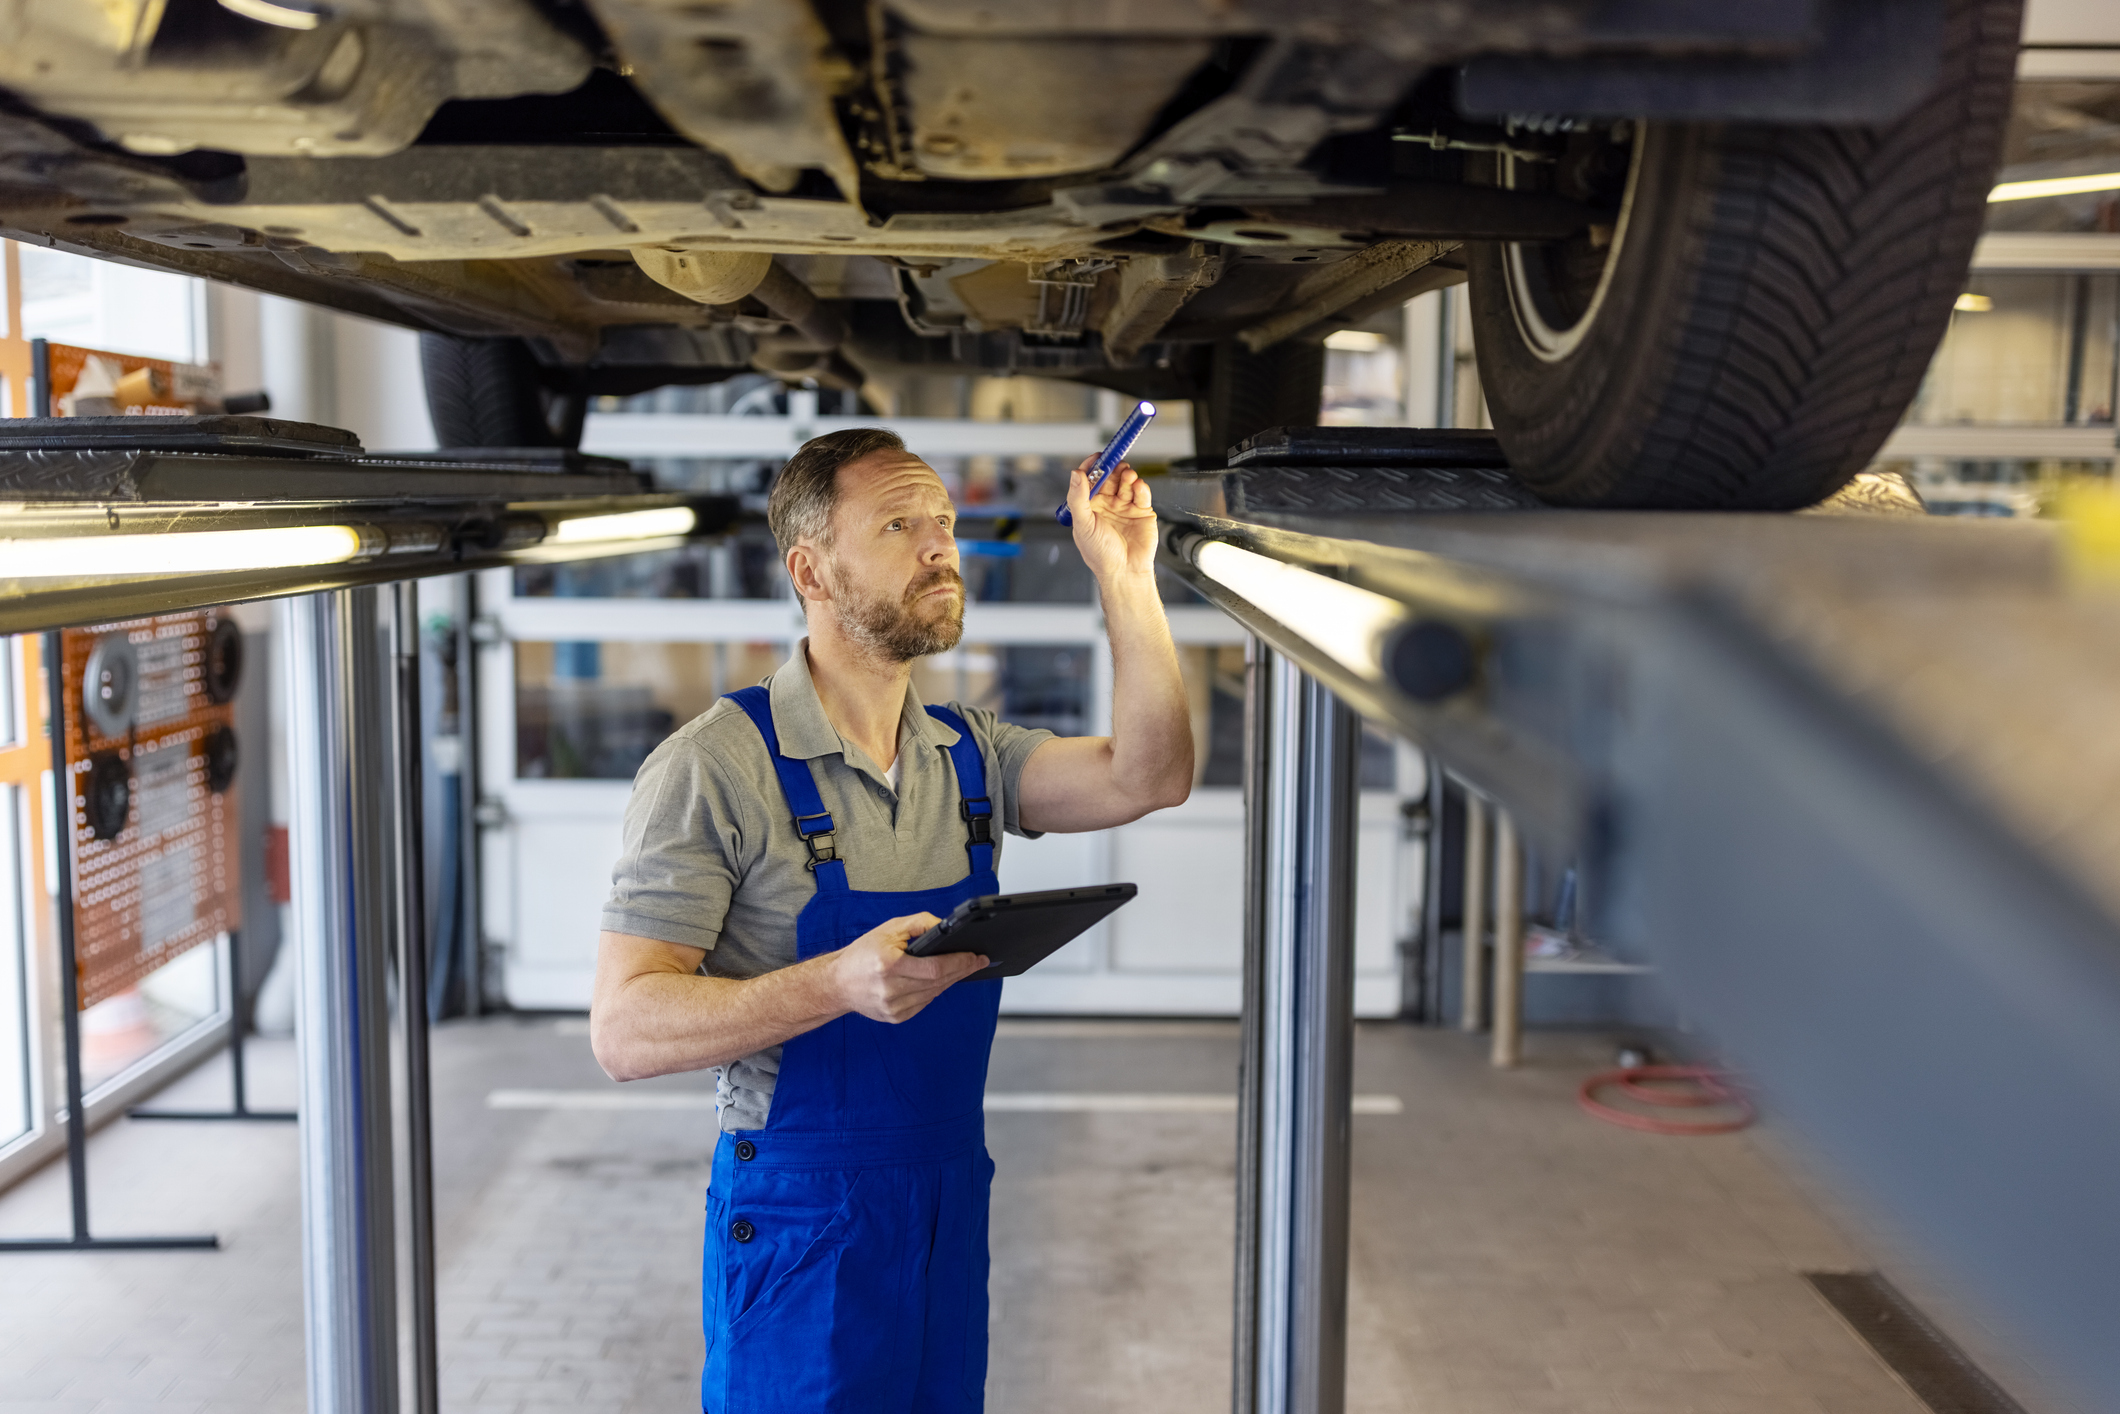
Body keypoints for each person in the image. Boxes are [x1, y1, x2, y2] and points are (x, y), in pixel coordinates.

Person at [589, 427, 1195, 1412]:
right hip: (800, 1214)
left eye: (944, 523)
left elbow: (1150, 773)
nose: (938, 546)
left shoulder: (969, 756)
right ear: (811, 570)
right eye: (899, 524)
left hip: (943, 1196)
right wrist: (835, 984)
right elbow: (623, 1029)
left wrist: (1125, 575)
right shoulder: (714, 765)